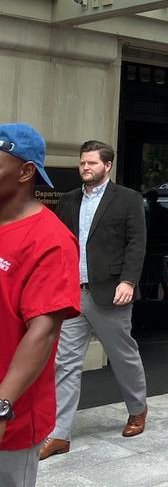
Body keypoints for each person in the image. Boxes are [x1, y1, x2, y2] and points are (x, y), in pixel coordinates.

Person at [41, 141, 148, 459]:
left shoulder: (127, 199)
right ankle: (60, 434)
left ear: (107, 166)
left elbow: (136, 243)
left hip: (111, 293)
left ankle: (138, 409)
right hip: (73, 292)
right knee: (65, 363)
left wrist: (128, 280)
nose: (85, 167)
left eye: (91, 163)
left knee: (123, 356)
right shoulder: (70, 199)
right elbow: (60, 242)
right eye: (82, 163)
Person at [0, 124, 81, 487]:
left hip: (10, 418)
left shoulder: (51, 240)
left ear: (25, 171)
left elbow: (44, 331)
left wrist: (3, 405)